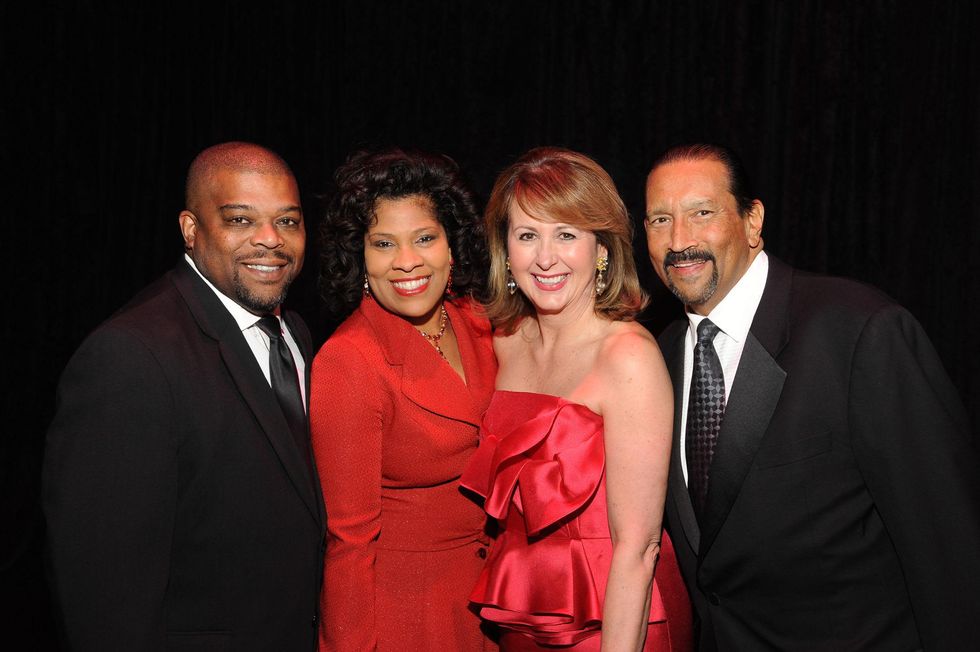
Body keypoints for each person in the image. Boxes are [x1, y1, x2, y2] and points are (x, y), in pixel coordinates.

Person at [643, 143, 980, 651]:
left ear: (752, 221)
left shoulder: (859, 331)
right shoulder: (657, 357)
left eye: (702, 213)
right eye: (660, 220)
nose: (679, 240)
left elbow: (949, 551)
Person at [43, 142, 325, 651]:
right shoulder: (129, 357)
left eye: (288, 221)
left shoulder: (295, 333)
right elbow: (105, 597)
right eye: (241, 220)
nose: (270, 240)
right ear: (191, 230)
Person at [461, 147, 693, 651]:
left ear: (602, 248)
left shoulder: (628, 356)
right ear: (506, 249)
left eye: (566, 234)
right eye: (527, 236)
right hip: (522, 610)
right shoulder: (504, 342)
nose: (546, 258)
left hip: (615, 618)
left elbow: (639, 546)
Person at [310, 148, 498, 651]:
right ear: (360, 257)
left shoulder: (477, 319)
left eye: (424, 238)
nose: (407, 261)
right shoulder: (349, 361)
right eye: (384, 244)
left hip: (492, 603)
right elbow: (347, 543)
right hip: (409, 616)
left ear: (451, 246)